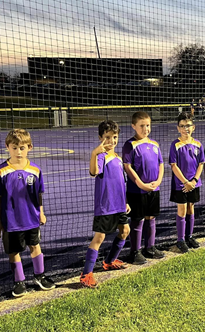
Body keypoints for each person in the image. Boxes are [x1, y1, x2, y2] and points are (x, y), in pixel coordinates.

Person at [0, 129, 56, 298]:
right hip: (11, 220)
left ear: (30, 147)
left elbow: (39, 194)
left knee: (35, 245)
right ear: (7, 147)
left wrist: (41, 213)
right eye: (14, 148)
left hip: (32, 218)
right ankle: (19, 281)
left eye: (22, 148)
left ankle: (39, 276)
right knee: (14, 251)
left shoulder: (35, 170)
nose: (18, 152)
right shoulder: (1, 171)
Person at [80, 120, 131, 289]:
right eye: (107, 137)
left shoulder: (117, 157)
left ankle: (109, 261)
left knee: (125, 231)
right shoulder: (101, 156)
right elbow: (94, 172)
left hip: (119, 204)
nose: (111, 141)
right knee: (99, 237)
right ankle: (86, 274)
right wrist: (94, 154)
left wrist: (125, 201)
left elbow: (121, 183)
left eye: (114, 137)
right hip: (106, 205)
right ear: (100, 137)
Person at [121, 112, 165, 265]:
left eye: (148, 125)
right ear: (134, 126)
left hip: (153, 189)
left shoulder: (154, 144)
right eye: (142, 125)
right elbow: (127, 167)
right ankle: (135, 251)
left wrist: (158, 181)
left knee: (151, 217)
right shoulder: (130, 145)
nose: (145, 128)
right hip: (137, 190)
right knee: (137, 219)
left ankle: (150, 247)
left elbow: (161, 164)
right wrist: (140, 184)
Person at [170, 112, 205, 253]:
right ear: (178, 128)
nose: (186, 129)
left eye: (188, 126)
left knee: (191, 208)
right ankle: (180, 240)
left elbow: (201, 163)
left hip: (194, 183)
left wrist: (194, 180)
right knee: (182, 210)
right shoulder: (176, 144)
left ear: (193, 127)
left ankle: (189, 236)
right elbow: (173, 165)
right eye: (182, 126)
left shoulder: (198, 144)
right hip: (181, 184)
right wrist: (186, 182)